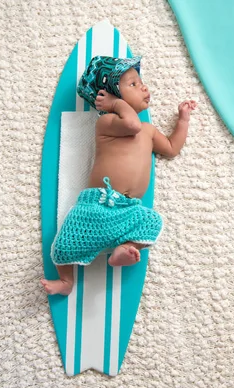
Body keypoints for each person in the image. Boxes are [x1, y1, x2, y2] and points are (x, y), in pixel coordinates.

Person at [41, 55, 197, 296]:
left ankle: (124, 249)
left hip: (128, 209)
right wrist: (114, 105)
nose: (143, 87)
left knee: (152, 222)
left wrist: (183, 121)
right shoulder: (107, 123)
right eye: (132, 84)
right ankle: (65, 281)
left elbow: (172, 149)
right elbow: (132, 125)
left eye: (140, 81)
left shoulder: (150, 131)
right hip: (98, 204)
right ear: (107, 96)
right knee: (64, 243)